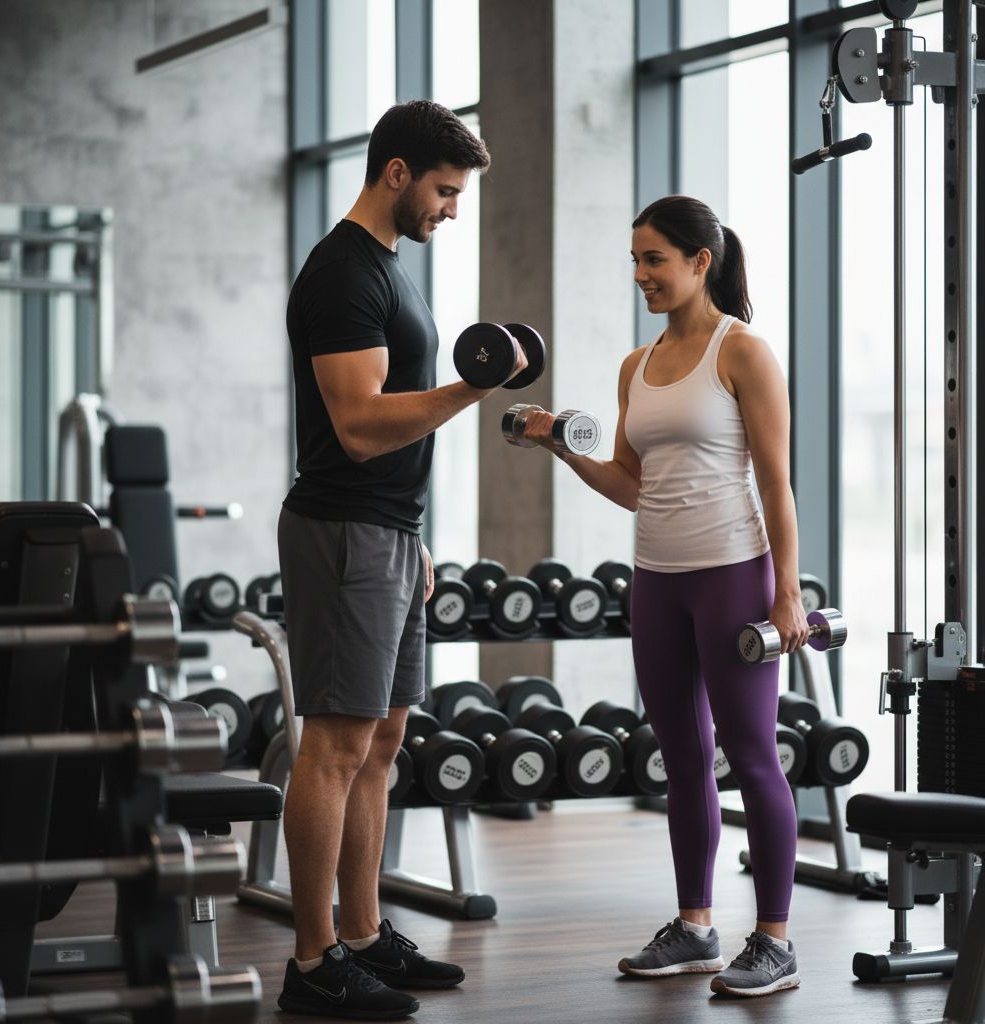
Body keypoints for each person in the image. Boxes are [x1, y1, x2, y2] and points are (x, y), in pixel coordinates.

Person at [521, 194, 806, 999]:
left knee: (751, 755)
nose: (642, 275)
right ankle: (694, 927)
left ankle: (775, 940)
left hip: (731, 575)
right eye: (635, 261)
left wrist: (786, 593)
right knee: (680, 758)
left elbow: (778, 482)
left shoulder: (741, 351)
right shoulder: (633, 367)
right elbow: (630, 484)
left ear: (699, 262)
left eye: (655, 259)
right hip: (656, 578)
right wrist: (560, 446)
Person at [275, 100, 522, 1020]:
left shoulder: (386, 270)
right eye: (446, 192)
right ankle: (311, 960)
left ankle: (367, 933)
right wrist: (472, 388)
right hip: (342, 527)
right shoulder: (343, 274)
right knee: (335, 746)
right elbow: (361, 426)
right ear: (396, 174)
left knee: (380, 743)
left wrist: (414, 538)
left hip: (384, 534)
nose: (451, 210)